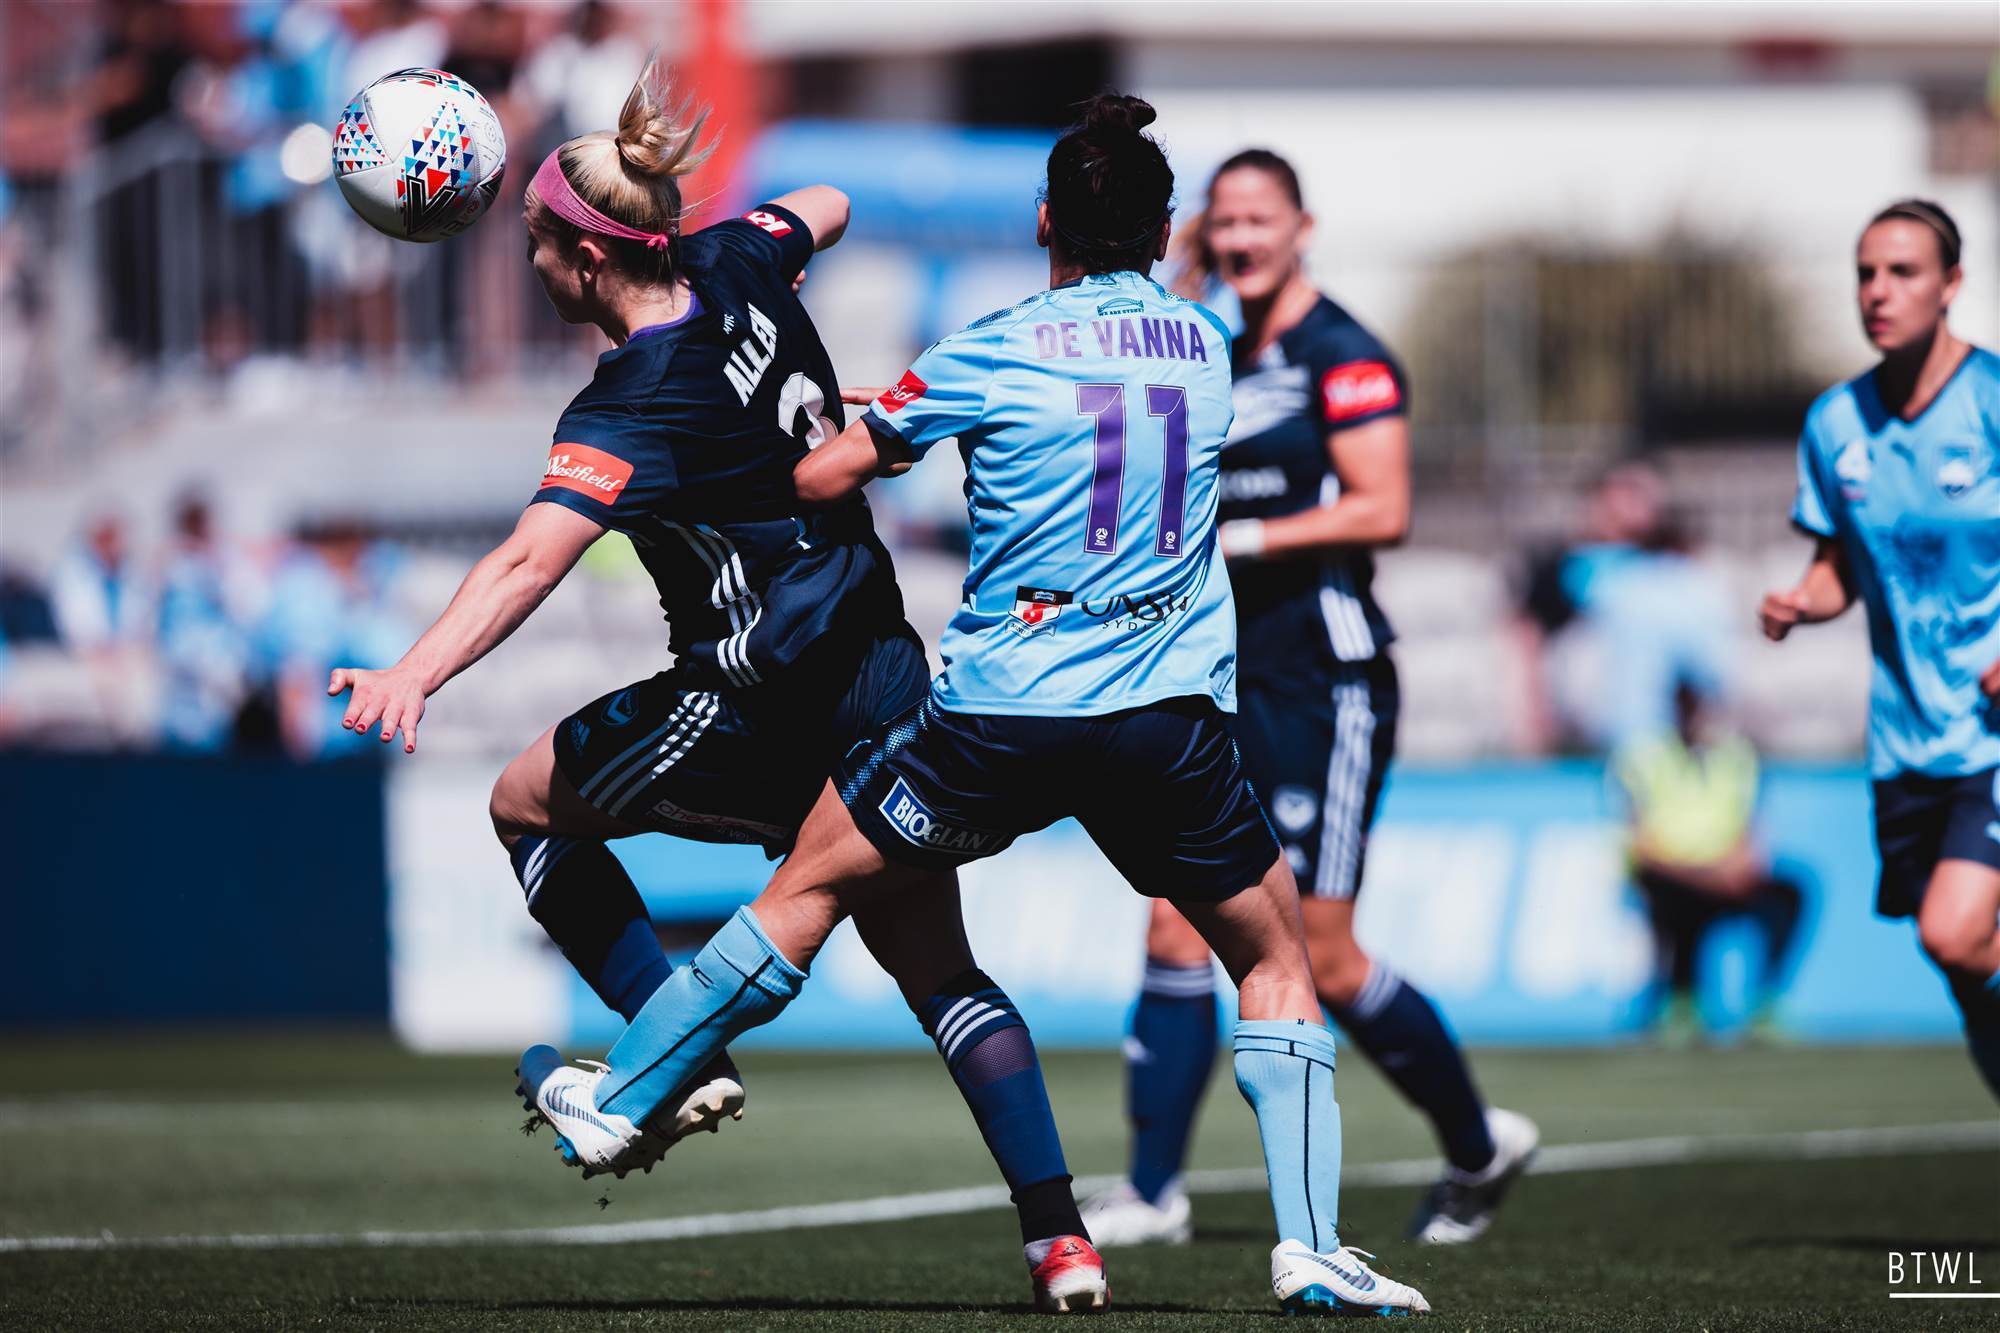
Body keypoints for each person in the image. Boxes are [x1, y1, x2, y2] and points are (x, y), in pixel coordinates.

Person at [525, 95, 1432, 1318]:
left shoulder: (988, 348)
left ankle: (623, 1098)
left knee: (804, 887)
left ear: (1045, 218)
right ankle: (1310, 1244)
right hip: (1166, 715)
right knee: (1273, 958)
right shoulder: (1210, 347)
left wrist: (839, 411)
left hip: (999, 718)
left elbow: (821, 469)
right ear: (1165, 234)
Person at [325, 63, 1095, 1302]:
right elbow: (829, 202)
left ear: (586, 263)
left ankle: (668, 1057)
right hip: (882, 667)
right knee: (939, 967)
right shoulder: (737, 257)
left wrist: (416, 671)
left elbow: (532, 556)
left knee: (524, 805)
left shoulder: (634, 398)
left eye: (533, 243)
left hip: (751, 698)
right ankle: (1060, 1240)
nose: (526, 263)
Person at [1072, 147, 1536, 1251]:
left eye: (1256, 221)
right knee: (1175, 921)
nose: (1237, 240)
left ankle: (1476, 1147)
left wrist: (1246, 536)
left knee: (1319, 951)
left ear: (1302, 227)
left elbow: (1382, 508)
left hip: (1322, 680)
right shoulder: (1209, 342)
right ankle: (1151, 1191)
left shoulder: (1346, 356)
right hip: (1218, 672)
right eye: (1220, 222)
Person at [1761, 198, 2000, 1098]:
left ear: (1952, 285)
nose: (1878, 290)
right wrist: (1800, 601)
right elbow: (1836, 570)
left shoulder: (1992, 402)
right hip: (1905, 738)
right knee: (1963, 966)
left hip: (1990, 733)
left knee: (1954, 929)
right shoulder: (1835, 423)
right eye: (1865, 272)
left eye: (1903, 271)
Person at [1612, 681, 1809, 1043]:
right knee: (1673, 900)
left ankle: (1764, 1003)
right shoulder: (1645, 758)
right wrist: (1704, 876)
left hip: (1724, 876)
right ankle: (1682, 1003)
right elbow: (1640, 848)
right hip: (1676, 877)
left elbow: (1752, 835)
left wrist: (1735, 869)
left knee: (1790, 893)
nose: (1691, 716)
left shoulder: (1736, 757)